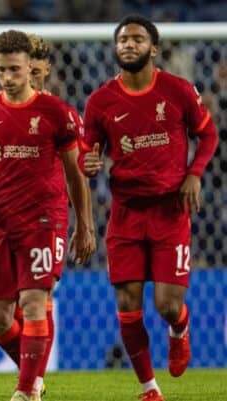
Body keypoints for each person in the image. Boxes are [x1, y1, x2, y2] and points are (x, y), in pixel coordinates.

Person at [0, 30, 95, 401]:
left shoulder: (55, 112)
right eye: (1, 70)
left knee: (33, 301)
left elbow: (75, 173)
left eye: (14, 69)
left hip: (43, 218)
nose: (7, 77)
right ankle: (37, 377)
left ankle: (26, 391)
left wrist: (84, 225)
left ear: (31, 68)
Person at [79, 15, 218, 401]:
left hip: (170, 212)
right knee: (127, 303)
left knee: (168, 306)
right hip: (125, 214)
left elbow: (207, 134)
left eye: (137, 39)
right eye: (123, 39)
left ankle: (180, 329)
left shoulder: (176, 91)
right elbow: (86, 152)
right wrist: (86, 164)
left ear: (153, 48)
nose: (128, 44)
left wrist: (194, 173)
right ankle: (149, 388)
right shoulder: (100, 101)